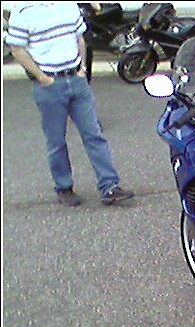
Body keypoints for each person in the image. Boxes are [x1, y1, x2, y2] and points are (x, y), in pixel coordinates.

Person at [6, 2, 134, 207]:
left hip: (76, 80)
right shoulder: (23, 10)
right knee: (56, 141)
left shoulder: (69, 5)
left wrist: (82, 68)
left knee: (94, 135)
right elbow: (17, 49)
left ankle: (110, 186)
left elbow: (79, 38)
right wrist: (41, 77)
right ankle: (63, 187)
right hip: (49, 85)